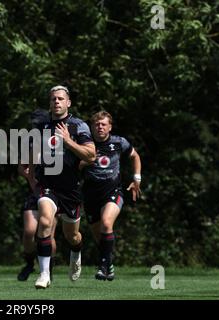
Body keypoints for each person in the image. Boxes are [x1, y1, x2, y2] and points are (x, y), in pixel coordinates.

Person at [30, 86, 96, 289]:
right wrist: (33, 180)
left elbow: (91, 156)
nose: (56, 102)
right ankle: (44, 274)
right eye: (52, 99)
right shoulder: (41, 126)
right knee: (44, 221)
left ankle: (76, 253)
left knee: (72, 236)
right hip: (47, 184)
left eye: (60, 99)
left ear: (68, 103)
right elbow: (32, 156)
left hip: (70, 189)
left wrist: (68, 142)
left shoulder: (79, 126)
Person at [80, 111, 141, 281]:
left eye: (103, 124)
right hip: (90, 194)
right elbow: (72, 167)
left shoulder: (119, 142)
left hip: (113, 191)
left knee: (107, 224)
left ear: (110, 127)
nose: (100, 127)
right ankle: (109, 263)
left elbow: (135, 156)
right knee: (99, 236)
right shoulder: (85, 145)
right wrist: (84, 162)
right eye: (97, 124)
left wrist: (137, 179)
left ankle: (103, 266)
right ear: (91, 127)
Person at [17, 110, 58, 282]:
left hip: (53, 192)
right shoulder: (29, 142)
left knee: (48, 233)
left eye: (38, 124)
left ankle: (48, 267)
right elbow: (21, 167)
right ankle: (29, 263)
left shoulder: (56, 141)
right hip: (34, 192)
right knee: (29, 232)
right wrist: (30, 177)